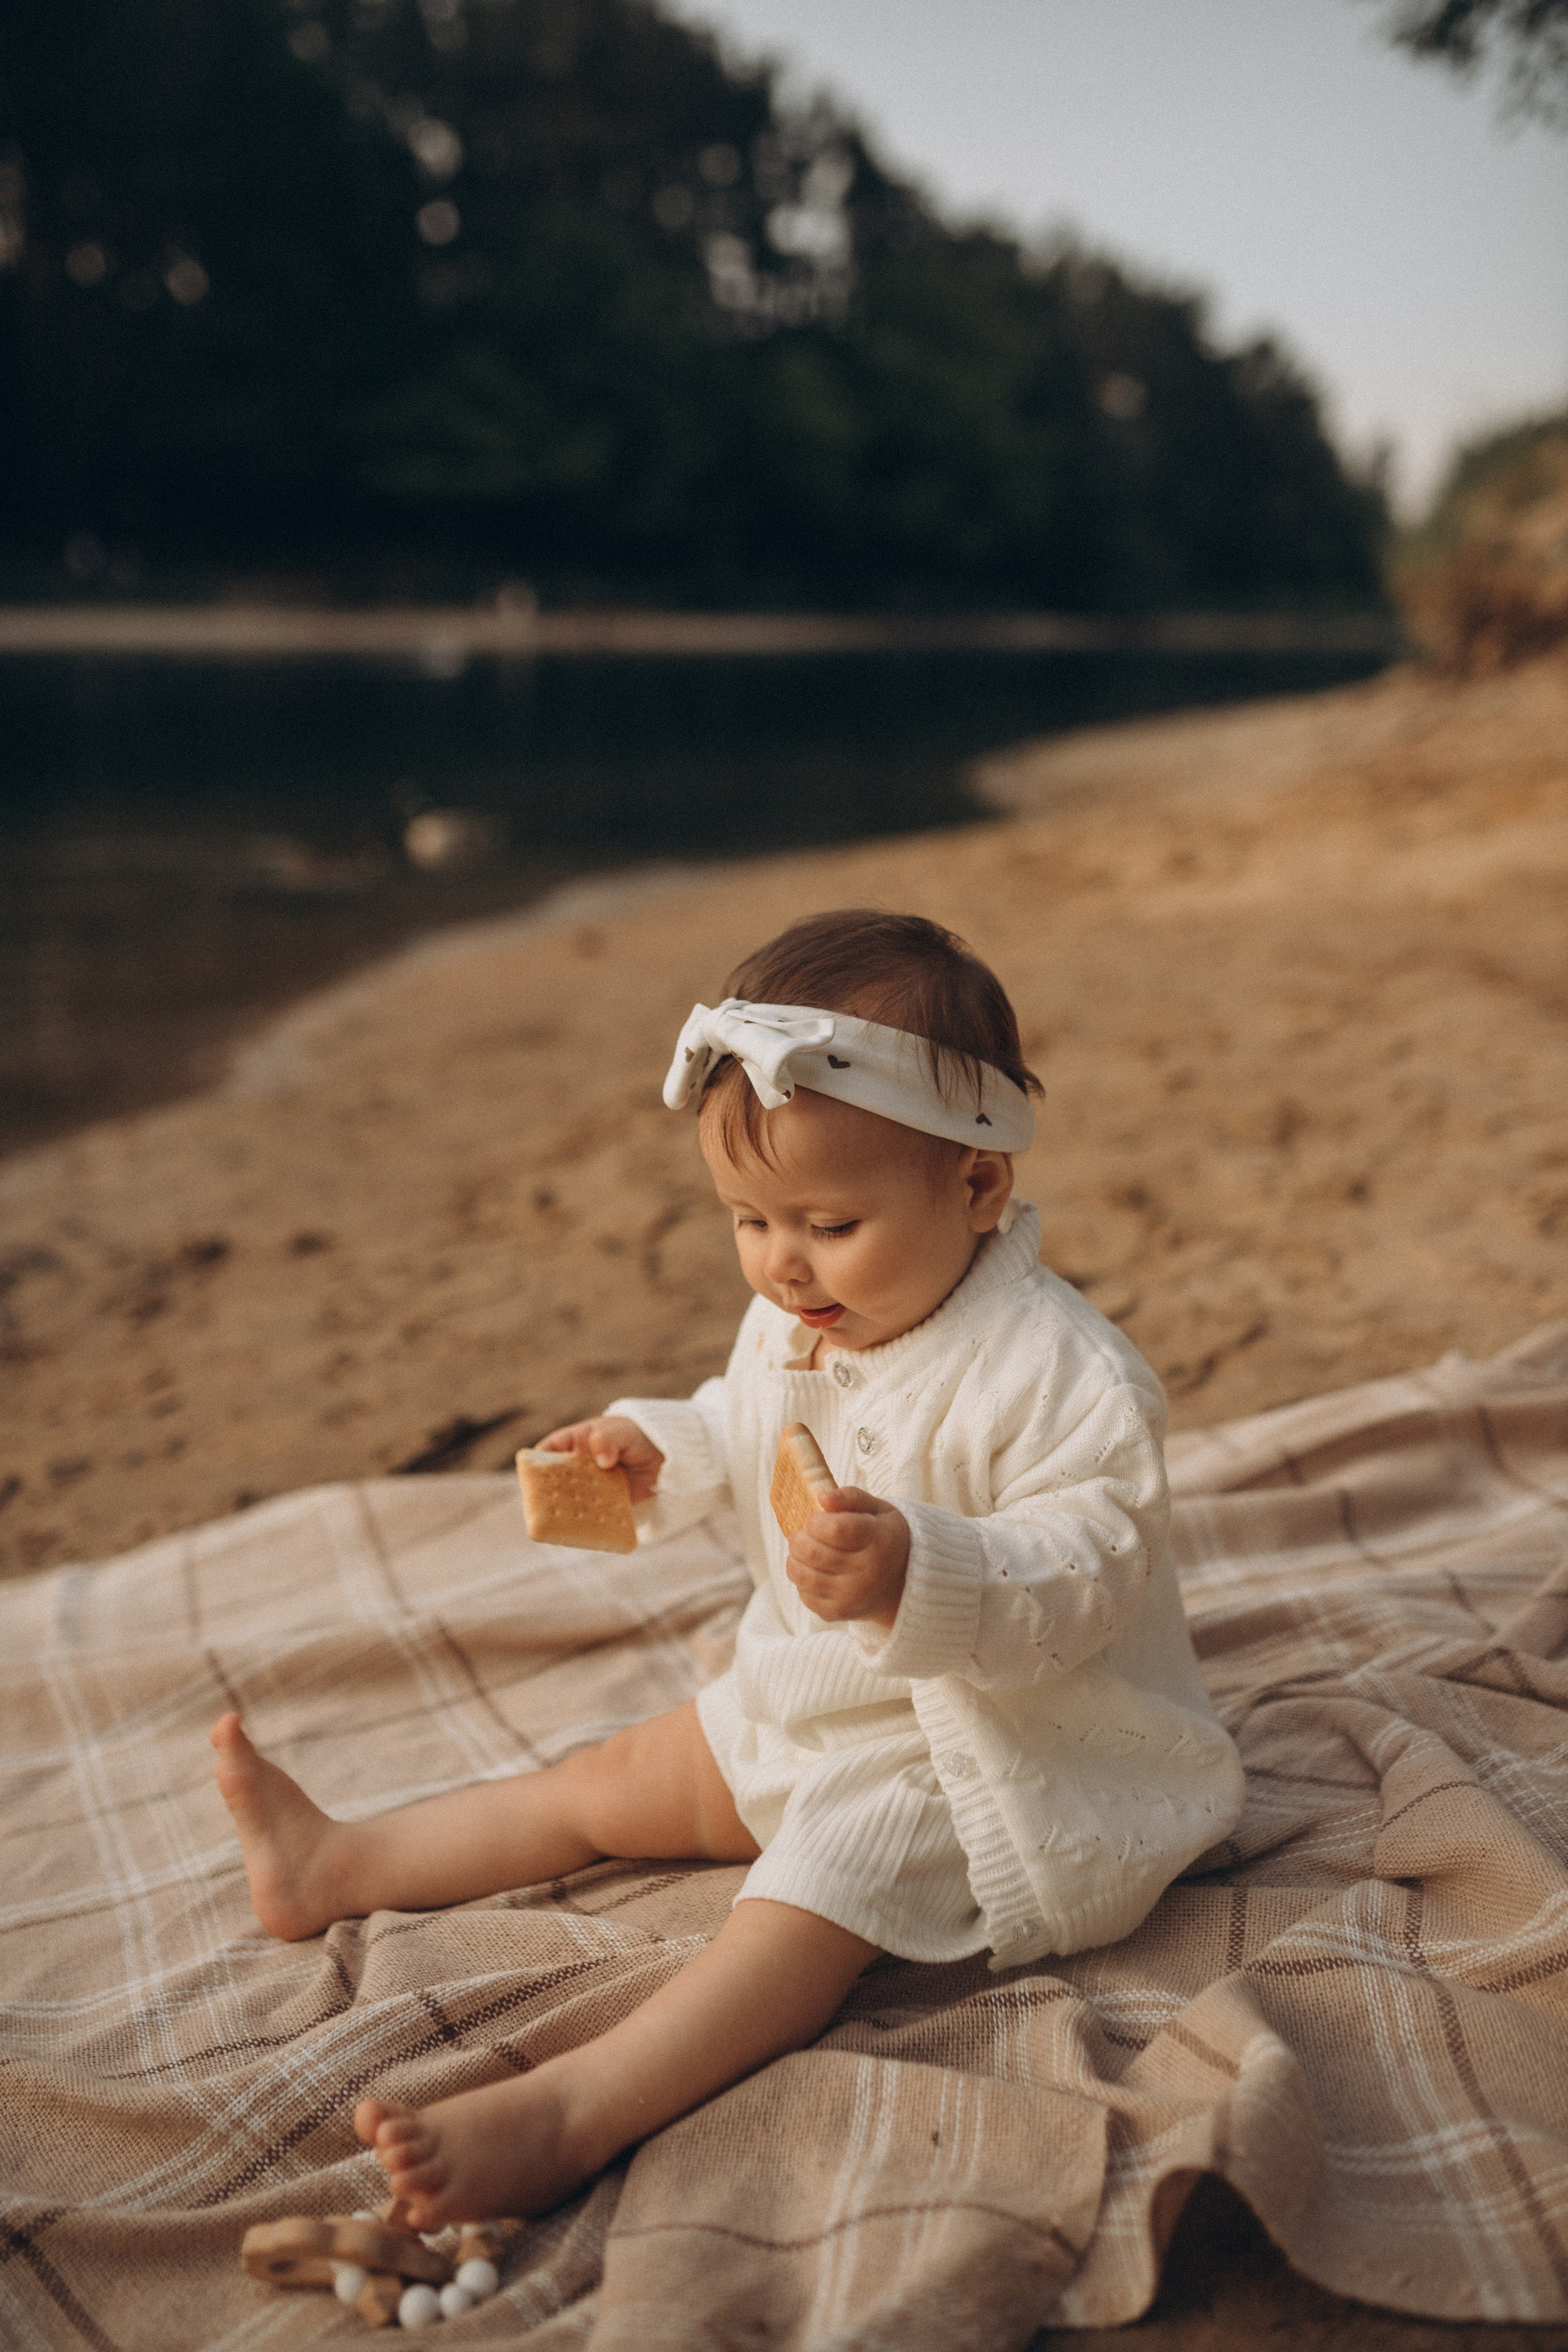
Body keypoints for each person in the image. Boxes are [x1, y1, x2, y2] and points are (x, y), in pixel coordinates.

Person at [211, 909, 1245, 2226]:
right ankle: (339, 1866)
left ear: (978, 1188)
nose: (781, 1261)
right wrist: (658, 1448)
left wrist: (919, 1565)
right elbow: (745, 1418)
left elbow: (1089, 1563)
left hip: (976, 1752)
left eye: (828, 1221)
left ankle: (569, 2113)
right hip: (807, 1695)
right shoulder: (799, 1314)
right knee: (602, 1783)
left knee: (794, 1912)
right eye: (748, 1220)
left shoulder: (1061, 1376)